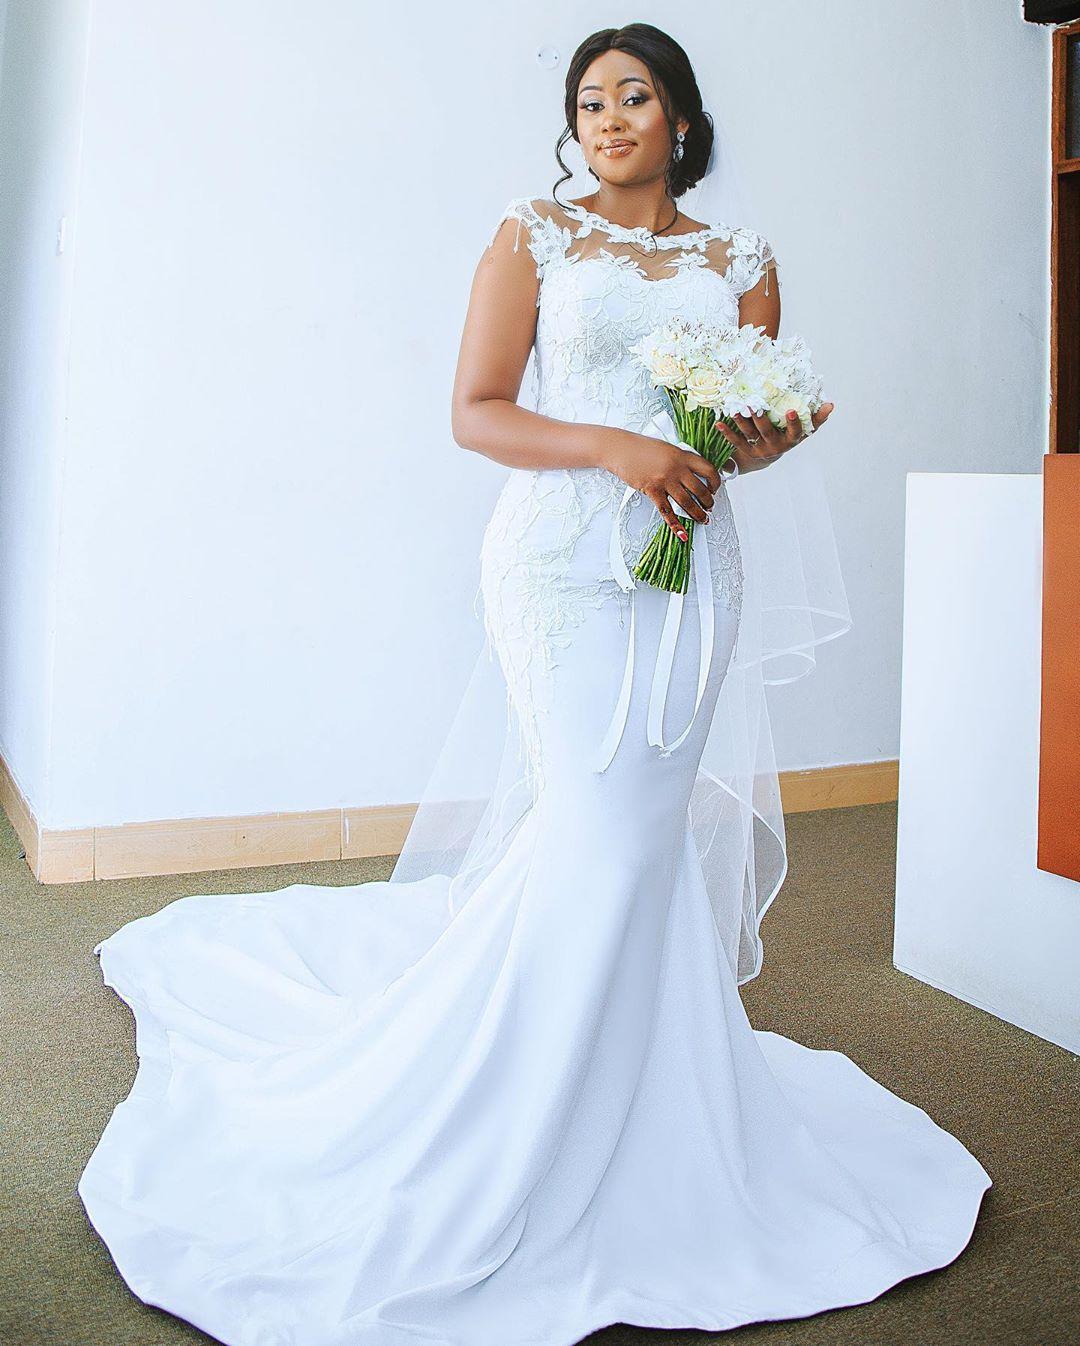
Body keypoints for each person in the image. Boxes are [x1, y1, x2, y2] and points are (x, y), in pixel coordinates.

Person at [77, 22, 992, 1346]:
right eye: (589, 101)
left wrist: (761, 437)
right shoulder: (535, 237)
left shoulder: (741, 261)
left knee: (638, 842)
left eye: (635, 95)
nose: (608, 117)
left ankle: (656, 1123)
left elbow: (737, 437)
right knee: (598, 833)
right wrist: (620, 449)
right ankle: (507, 1124)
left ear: (682, 120)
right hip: (560, 568)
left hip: (693, 572)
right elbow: (479, 408)